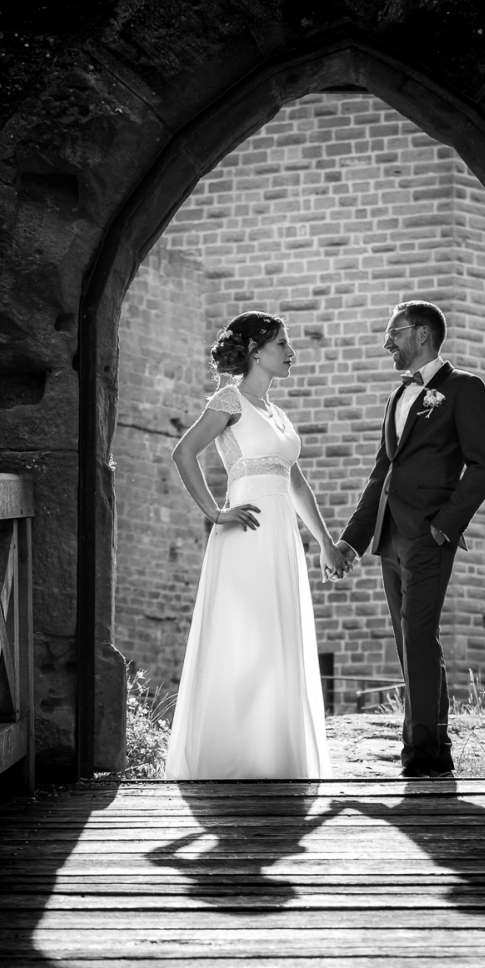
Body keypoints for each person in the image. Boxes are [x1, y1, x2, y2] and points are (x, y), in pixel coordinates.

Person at [164, 311, 338, 779]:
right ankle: (230, 756)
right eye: (283, 344)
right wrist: (214, 512)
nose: (291, 353)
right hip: (245, 532)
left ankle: (272, 756)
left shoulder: (277, 414)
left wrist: (323, 541)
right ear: (256, 352)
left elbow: (296, 483)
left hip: (282, 537)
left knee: (277, 639)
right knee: (246, 639)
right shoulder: (230, 399)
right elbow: (183, 452)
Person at [332, 301, 485, 778]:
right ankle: (435, 748)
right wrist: (352, 541)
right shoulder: (396, 396)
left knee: (419, 636)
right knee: (411, 642)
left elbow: (481, 464)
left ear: (422, 333)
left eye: (394, 333)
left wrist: (444, 525)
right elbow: (382, 472)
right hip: (389, 537)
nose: (388, 343)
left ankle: (421, 754)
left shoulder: (465, 389)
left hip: (428, 534)